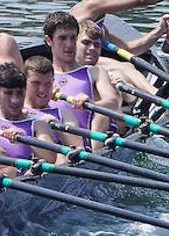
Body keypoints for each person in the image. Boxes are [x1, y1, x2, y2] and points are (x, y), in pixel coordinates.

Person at [44, 12, 119, 150]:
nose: (69, 44)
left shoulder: (94, 72)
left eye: (73, 38)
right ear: (49, 40)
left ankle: (94, 158)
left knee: (102, 112)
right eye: (62, 38)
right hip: (53, 144)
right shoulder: (40, 76)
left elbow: (114, 103)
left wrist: (92, 104)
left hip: (87, 145)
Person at [0, 63, 59, 175]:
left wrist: (26, 138)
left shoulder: (37, 125)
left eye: (20, 93)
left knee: (2, 171)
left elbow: (51, 158)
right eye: (9, 93)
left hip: (21, 183)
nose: (15, 100)